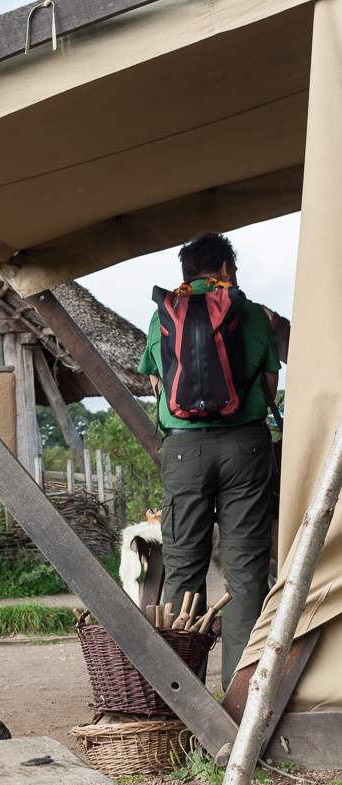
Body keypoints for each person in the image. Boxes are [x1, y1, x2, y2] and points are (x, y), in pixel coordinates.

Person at [137, 232, 281, 690]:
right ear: (223, 269)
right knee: (245, 571)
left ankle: (185, 694)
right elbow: (271, 385)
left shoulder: (162, 316)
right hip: (246, 448)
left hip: (184, 451)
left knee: (183, 568)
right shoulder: (254, 314)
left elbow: (159, 387)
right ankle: (241, 698)